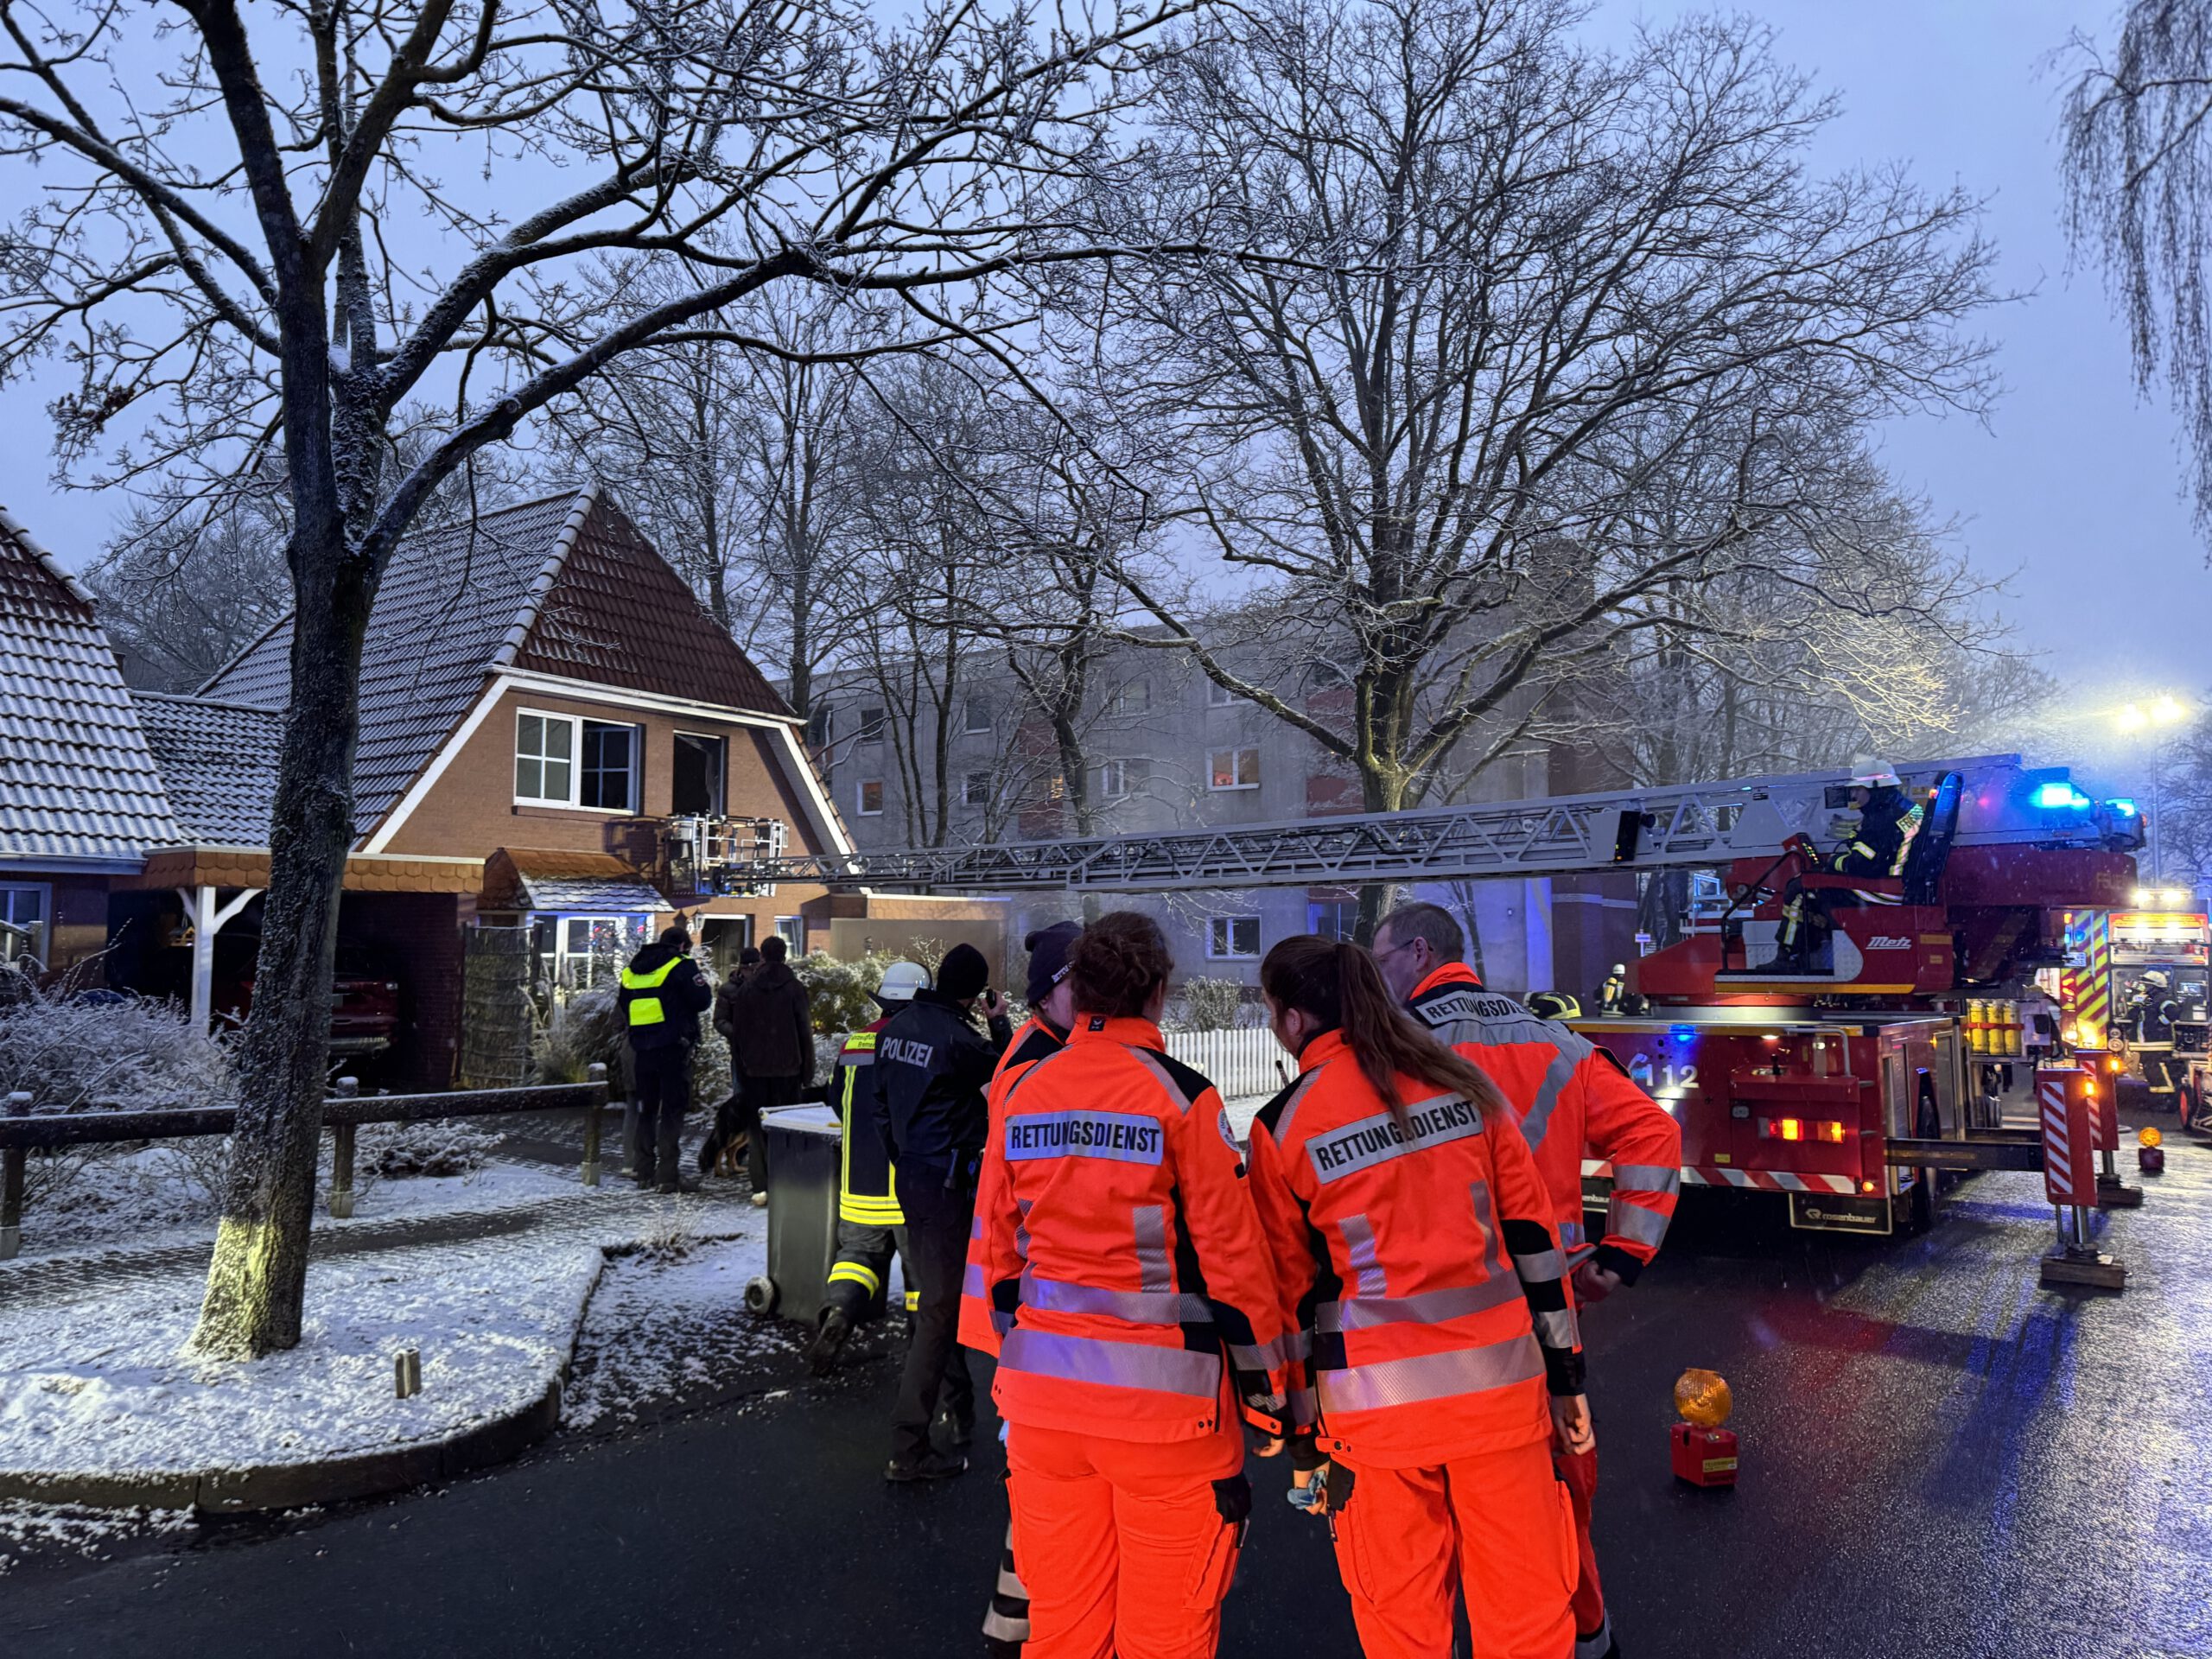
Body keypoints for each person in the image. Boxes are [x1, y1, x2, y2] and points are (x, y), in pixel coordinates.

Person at [1245, 934, 1588, 1659]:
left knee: (1402, 1626)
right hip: (1501, 1397)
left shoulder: (1284, 1127)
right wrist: (1566, 1378)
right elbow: (1534, 1243)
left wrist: (1302, 1434)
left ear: (1294, 1020)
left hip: (1376, 1418)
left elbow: (1289, 1299)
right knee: (1528, 1620)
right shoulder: (1465, 1088)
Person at [960, 912, 1287, 1659]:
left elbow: (999, 1252)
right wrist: (1268, 1399)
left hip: (1043, 1407)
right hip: (1166, 1418)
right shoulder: (1183, 1098)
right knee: (1164, 1635)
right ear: (1159, 992)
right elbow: (1234, 1263)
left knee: (1062, 1629)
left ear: (1075, 992)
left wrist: (1013, 1356)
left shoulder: (1023, 1092)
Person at [1372, 901, 1678, 1659]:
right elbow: (1653, 1131)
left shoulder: (1391, 1046)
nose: (1376, 977)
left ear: (1419, 952)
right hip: (1547, 1313)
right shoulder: (1555, 1041)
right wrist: (1621, 1254)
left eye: (1381, 960)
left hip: (1424, 1313)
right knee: (1548, 1495)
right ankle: (1583, 1634)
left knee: (1418, 1515)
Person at [966, 920, 1083, 1658]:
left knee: (1040, 1479)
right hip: (1033, 1303)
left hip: (1027, 1300)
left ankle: (1017, 1617)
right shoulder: (1039, 1068)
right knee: (1042, 1487)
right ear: (1050, 995)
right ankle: (1021, 1621)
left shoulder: (1037, 1050)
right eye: (1081, 983)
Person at [872, 942, 1010, 1481]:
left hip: (913, 1178)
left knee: (940, 1301)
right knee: (938, 1310)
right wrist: (999, 1024)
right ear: (974, 994)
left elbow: (881, 1107)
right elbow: (1014, 1080)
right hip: (948, 1185)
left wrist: (905, 1159)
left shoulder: (897, 1029)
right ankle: (908, 1447)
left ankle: (959, 1410)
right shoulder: (959, 1039)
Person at [807, 960, 930, 1377]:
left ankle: (839, 1312)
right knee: (920, 1275)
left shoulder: (853, 1045)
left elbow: (836, 1101)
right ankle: (921, 1355)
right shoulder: (922, 1045)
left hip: (859, 1187)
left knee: (857, 1259)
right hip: (911, 1191)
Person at [717, 933, 815, 1206]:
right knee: (787, 1127)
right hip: (788, 1069)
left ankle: (760, 1186)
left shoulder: (747, 990)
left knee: (757, 1129)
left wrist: (743, 1065)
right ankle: (783, 1181)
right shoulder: (794, 988)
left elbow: (740, 1034)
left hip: (754, 1070)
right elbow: (804, 1032)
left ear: (762, 956)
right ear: (784, 956)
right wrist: (807, 1070)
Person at [617, 923, 713, 1194]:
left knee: (647, 1110)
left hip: (642, 1049)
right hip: (674, 1048)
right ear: (682, 946)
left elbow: (624, 1004)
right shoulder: (682, 965)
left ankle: (644, 1171)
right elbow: (703, 1000)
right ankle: (668, 1177)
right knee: (672, 1111)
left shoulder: (633, 968)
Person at [701, 945, 766, 1177]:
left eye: (756, 968)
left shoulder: (765, 987)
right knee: (741, 1108)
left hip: (764, 1057)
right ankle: (730, 1157)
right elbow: (719, 1021)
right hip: (740, 1055)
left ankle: (744, 1157)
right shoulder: (729, 990)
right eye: (749, 969)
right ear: (742, 968)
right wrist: (738, 1033)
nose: (752, 973)